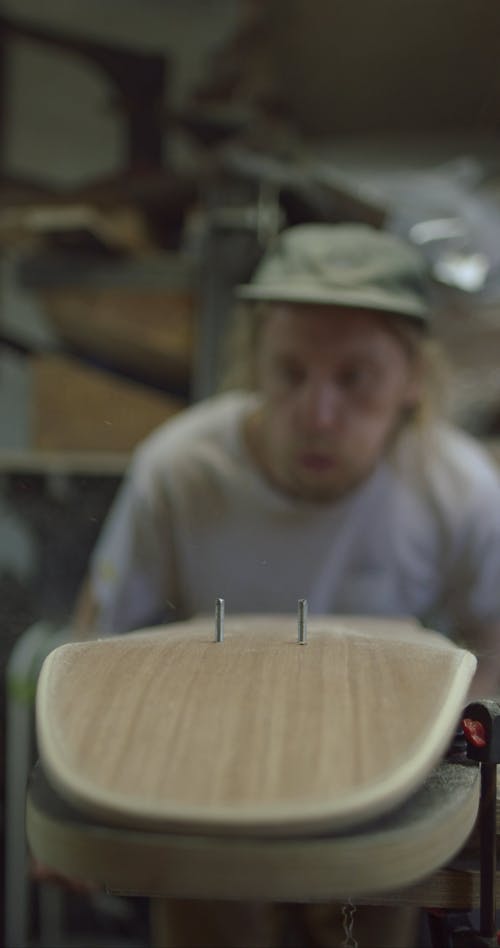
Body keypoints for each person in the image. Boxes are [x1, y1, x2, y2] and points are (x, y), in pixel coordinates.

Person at [72, 222, 500, 947]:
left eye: (354, 378)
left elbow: (494, 641)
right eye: (290, 372)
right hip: (203, 800)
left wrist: (460, 773)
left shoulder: (455, 487)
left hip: (381, 800)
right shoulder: (181, 471)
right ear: (255, 365)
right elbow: (96, 644)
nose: (318, 414)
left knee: (369, 914)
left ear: (411, 382)